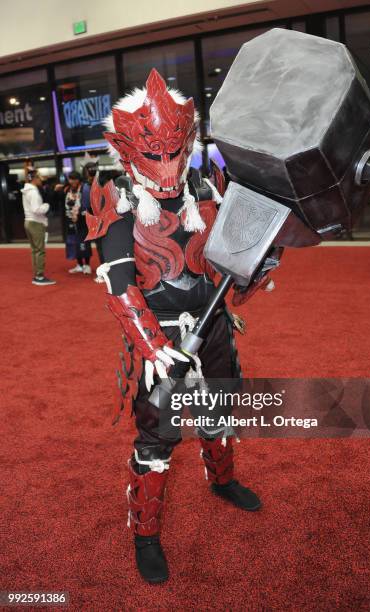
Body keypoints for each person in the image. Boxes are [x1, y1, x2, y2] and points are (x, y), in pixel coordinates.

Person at [85, 70, 276, 584]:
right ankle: (145, 534)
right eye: (156, 154)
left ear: (188, 142)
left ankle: (222, 480)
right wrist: (151, 345)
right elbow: (118, 280)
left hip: (214, 325)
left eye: (176, 152)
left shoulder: (204, 186)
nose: (167, 165)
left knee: (219, 409)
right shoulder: (118, 196)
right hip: (162, 338)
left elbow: (226, 267)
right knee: (157, 438)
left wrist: (258, 265)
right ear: (127, 148)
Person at [22, 171, 56, 286]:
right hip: (35, 223)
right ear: (34, 179)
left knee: (34, 250)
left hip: (28, 221)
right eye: (39, 177)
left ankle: (37, 275)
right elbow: (37, 209)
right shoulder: (33, 192)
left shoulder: (26, 191)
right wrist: (47, 205)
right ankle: (39, 277)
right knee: (40, 250)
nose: (41, 180)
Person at [64, 171, 93, 275]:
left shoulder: (84, 189)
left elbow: (88, 205)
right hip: (70, 220)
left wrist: (79, 214)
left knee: (84, 242)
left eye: (74, 179)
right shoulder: (67, 189)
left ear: (78, 179)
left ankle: (87, 265)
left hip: (82, 221)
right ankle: (80, 265)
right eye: (70, 179)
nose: (72, 181)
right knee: (74, 243)